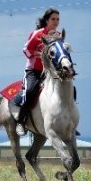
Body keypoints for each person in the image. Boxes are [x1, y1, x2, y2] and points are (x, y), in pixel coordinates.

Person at [16, 8, 61, 136]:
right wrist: (39, 54)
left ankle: (68, 121)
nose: (56, 21)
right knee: (30, 91)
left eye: (58, 19)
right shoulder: (37, 34)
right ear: (47, 20)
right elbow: (26, 50)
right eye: (53, 19)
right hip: (34, 71)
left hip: (51, 72)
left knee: (69, 89)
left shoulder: (58, 36)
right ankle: (21, 122)